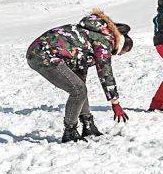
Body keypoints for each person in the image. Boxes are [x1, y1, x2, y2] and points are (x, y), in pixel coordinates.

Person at [25, 9, 133, 142]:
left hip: (41, 52)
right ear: (121, 45)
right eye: (121, 53)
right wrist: (115, 102)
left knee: (80, 87)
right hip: (42, 55)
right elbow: (105, 72)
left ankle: (88, 125)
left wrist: (87, 119)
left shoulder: (94, 34)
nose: (117, 55)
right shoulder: (104, 42)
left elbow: (80, 70)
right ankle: (70, 131)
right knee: (78, 90)